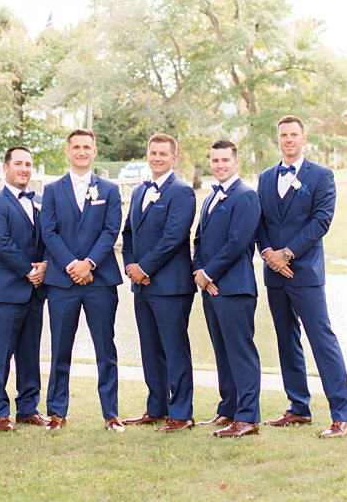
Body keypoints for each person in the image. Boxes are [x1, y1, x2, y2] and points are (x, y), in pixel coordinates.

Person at [256, 115, 347, 438]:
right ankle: (298, 408)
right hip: (275, 274)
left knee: (322, 341)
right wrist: (270, 254)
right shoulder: (266, 178)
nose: (288, 139)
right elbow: (260, 222)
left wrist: (288, 254)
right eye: (283, 134)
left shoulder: (322, 176)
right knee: (286, 341)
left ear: (303, 138)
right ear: (278, 138)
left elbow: (321, 221)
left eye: (293, 134)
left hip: (305, 273)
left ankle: (343, 416)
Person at [40, 128, 124, 432]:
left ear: (95, 151)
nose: (81, 152)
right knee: (60, 348)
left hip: (99, 281)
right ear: (68, 151)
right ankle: (56, 412)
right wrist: (72, 265)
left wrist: (88, 263)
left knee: (106, 348)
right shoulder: (51, 190)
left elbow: (111, 230)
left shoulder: (110, 190)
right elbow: (48, 232)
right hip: (62, 282)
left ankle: (111, 414)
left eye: (87, 147)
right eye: (76, 147)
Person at [120, 132, 200, 433]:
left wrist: (145, 267)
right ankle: (157, 407)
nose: (156, 158)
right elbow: (128, 232)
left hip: (170, 286)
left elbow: (174, 237)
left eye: (163, 154)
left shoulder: (181, 192)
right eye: (153, 153)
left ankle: (181, 413)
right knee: (150, 348)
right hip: (141, 285)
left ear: (173, 158)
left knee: (174, 348)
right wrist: (129, 264)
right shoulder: (141, 191)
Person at [193, 139, 263, 438]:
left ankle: (247, 418)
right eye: (215, 160)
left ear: (236, 162)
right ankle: (228, 408)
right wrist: (198, 271)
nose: (219, 165)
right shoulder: (211, 198)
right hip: (210, 288)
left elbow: (238, 242)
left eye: (224, 160)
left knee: (241, 352)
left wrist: (209, 273)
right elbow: (198, 239)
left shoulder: (245, 196)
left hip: (235, 288)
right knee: (222, 352)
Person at [0, 146, 51, 431]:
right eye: (19, 164)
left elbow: (49, 238)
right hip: (3, 293)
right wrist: (29, 270)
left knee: (29, 353)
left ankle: (28, 408)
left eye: (28, 164)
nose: (24, 169)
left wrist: (45, 264)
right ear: (5, 167)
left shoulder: (41, 202)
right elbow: (1, 243)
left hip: (35, 292)